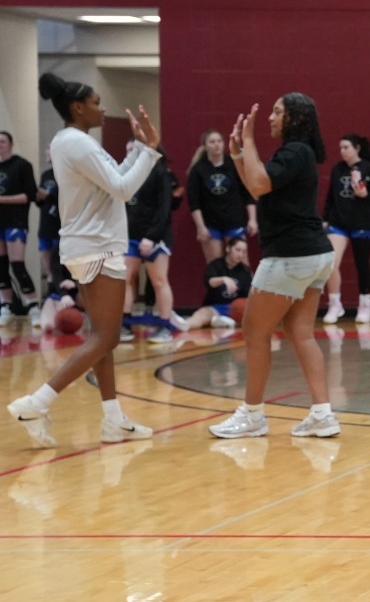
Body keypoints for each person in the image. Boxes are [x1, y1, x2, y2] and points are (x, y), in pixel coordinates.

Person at [7, 75, 162, 447]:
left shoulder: (67, 141)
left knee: (100, 337)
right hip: (98, 247)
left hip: (83, 245)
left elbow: (114, 182)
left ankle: (113, 420)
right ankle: (36, 402)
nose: (103, 107)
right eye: (96, 101)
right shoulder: (78, 143)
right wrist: (150, 150)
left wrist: (140, 150)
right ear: (78, 108)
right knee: (107, 336)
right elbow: (124, 189)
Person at [207, 96, 340, 440]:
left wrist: (249, 142)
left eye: (278, 111)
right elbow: (256, 183)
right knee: (301, 333)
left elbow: (261, 183)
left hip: (290, 256)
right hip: (315, 255)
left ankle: (252, 414)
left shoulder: (295, 151)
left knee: (254, 332)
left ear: (295, 117)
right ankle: (323, 414)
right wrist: (239, 153)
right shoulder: (298, 153)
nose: (270, 117)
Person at [322, 134, 370, 324]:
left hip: (362, 223)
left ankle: (365, 305)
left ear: (356, 148)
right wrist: (325, 219)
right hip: (338, 223)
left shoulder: (369, 169)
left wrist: (366, 195)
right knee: (330, 262)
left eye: (346, 147)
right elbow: (330, 197)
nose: (342, 151)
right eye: (340, 148)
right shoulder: (337, 169)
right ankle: (335, 304)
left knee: (362, 264)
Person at [124, 157, 182, 334]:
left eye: (134, 150)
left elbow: (165, 208)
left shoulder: (160, 173)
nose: (130, 154)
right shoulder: (127, 174)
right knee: (125, 279)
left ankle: (164, 324)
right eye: (128, 151)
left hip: (156, 236)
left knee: (159, 281)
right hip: (131, 235)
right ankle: (125, 323)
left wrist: (151, 237)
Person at [186, 128, 254, 265]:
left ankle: (244, 287)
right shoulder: (198, 169)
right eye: (212, 142)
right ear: (205, 146)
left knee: (242, 264)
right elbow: (194, 202)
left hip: (234, 220)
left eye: (219, 141)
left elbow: (248, 193)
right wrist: (200, 227)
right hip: (211, 224)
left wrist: (253, 219)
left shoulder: (234, 164)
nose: (216, 144)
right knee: (215, 266)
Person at [0, 132, 39, 316]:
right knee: (1, 266)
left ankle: (32, 304)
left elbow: (28, 196)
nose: (0, 145)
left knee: (17, 265)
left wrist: (2, 199)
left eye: (2, 141)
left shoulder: (22, 165)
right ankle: (6, 304)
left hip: (15, 222)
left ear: (11, 144)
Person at [181, 235, 252, 331]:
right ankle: (184, 325)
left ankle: (226, 322)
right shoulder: (216, 265)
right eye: (238, 250)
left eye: (243, 252)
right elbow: (209, 282)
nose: (240, 254)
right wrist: (223, 279)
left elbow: (248, 296)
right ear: (228, 248)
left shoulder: (245, 272)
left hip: (234, 308)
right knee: (203, 314)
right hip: (215, 306)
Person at [34, 164, 61, 297]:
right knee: (47, 261)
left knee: (58, 262)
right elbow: (40, 201)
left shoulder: (66, 171)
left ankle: (61, 292)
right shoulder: (46, 174)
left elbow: (65, 198)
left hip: (60, 224)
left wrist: (49, 195)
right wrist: (38, 197)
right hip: (45, 224)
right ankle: (51, 291)